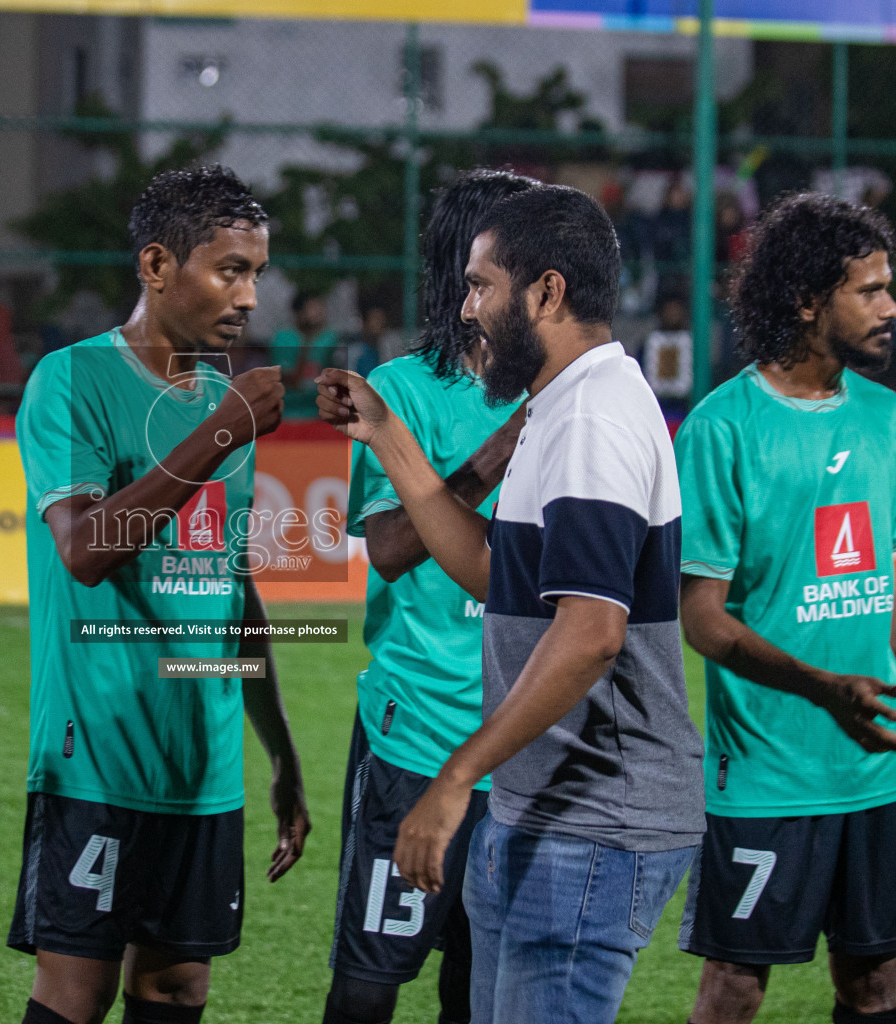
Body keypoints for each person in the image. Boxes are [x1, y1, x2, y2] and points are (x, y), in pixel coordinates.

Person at [316, 184, 705, 1024]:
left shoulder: (591, 419)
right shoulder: (558, 405)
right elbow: (500, 575)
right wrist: (387, 432)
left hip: (594, 822)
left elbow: (592, 632)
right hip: (551, 810)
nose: (467, 310)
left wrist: (457, 775)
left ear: (547, 293)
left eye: (482, 286)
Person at [9, 164, 310, 1024]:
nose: (250, 296)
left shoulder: (225, 401)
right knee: (78, 992)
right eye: (229, 270)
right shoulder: (72, 382)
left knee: (176, 987)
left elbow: (232, 590)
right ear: (155, 266)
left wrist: (279, 751)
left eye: (257, 272)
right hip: (96, 755)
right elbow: (84, 550)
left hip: (203, 765)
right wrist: (222, 433)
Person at [675, 193, 896, 1024]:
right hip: (767, 772)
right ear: (807, 299)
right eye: (869, 290)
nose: (891, 308)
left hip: (877, 765)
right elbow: (701, 617)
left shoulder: (885, 416)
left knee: (874, 985)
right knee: (737, 984)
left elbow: (882, 601)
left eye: (888, 287)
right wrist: (822, 687)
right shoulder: (722, 429)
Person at [323, 169, 535, 1024]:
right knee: (370, 988)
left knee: (481, 991)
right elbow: (390, 549)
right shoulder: (399, 391)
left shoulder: (558, 389)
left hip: (521, 740)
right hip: (416, 734)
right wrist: (493, 456)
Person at [270, 289, 339, 418]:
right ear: (299, 312)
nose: (319, 311)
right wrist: (307, 343)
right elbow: (290, 381)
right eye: (312, 307)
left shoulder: (330, 338)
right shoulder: (283, 338)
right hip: (289, 412)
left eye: (321, 306)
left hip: (319, 412)